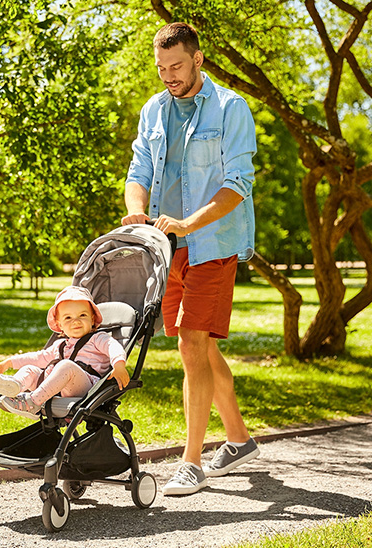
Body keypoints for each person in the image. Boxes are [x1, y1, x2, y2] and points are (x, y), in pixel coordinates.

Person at [122, 22, 259, 496]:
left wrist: (188, 223)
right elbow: (139, 169)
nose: (168, 77)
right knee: (198, 344)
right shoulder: (155, 110)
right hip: (167, 249)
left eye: (176, 66)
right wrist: (137, 211)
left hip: (212, 246)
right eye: (161, 69)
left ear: (198, 59)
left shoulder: (230, 108)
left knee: (189, 347)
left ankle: (192, 461)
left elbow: (238, 184)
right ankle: (238, 439)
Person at [0, 286, 130, 419]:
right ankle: (13, 386)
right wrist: (9, 362)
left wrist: (118, 364)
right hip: (55, 388)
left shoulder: (98, 338)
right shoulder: (60, 345)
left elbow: (113, 347)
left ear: (92, 319)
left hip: (86, 388)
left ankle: (33, 403)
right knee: (30, 369)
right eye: (68, 318)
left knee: (66, 365)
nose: (76, 321)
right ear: (60, 325)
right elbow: (38, 357)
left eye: (82, 315)